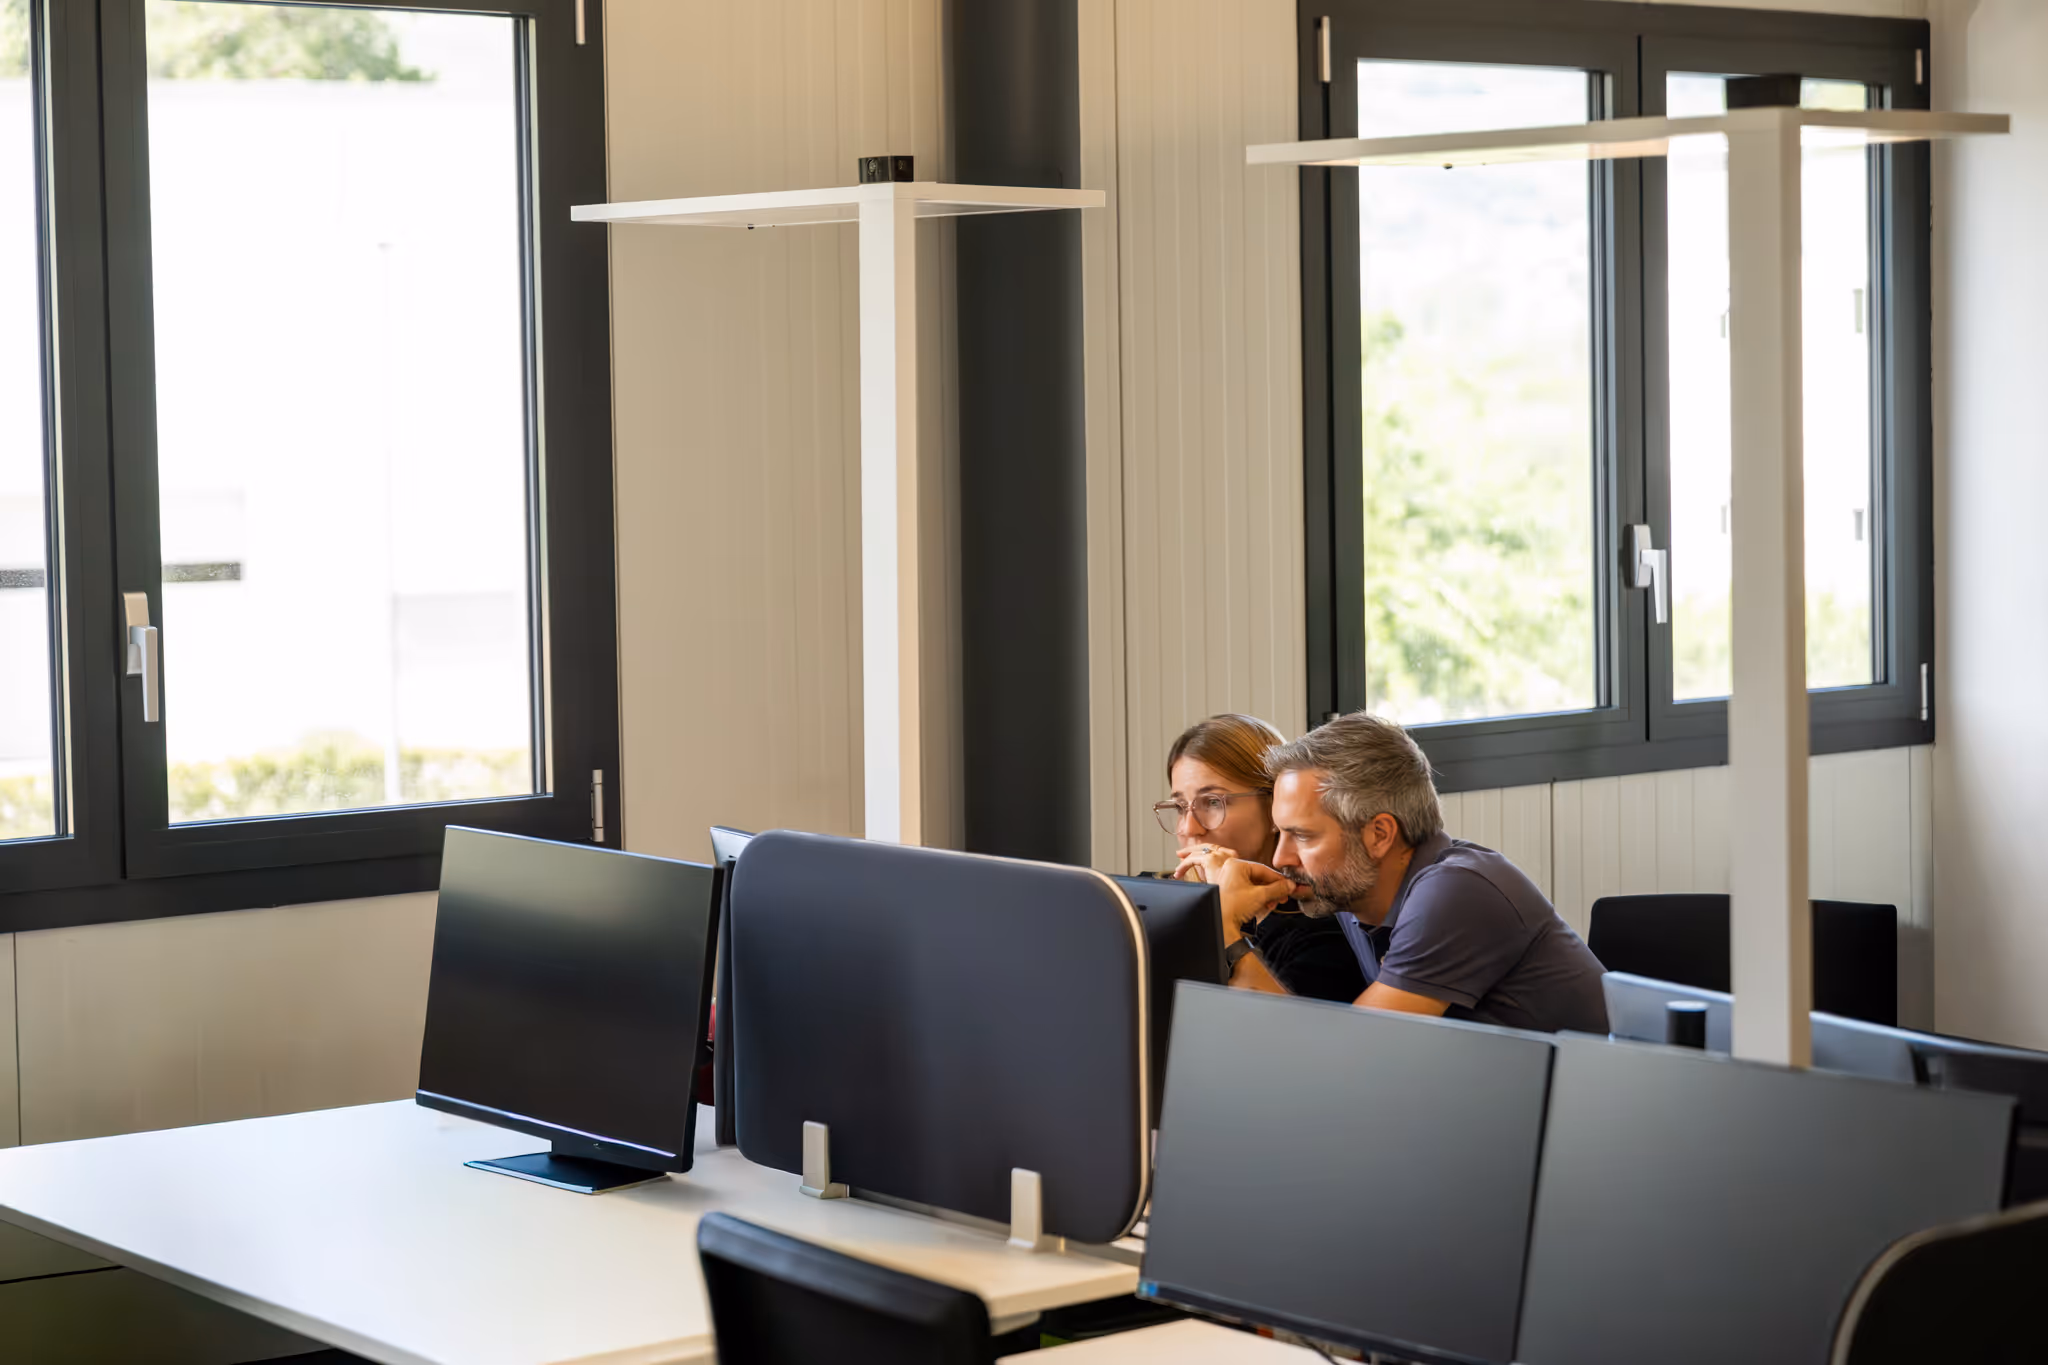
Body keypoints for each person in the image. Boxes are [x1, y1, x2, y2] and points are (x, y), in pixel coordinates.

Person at [1210, 711, 1608, 1034]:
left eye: (1303, 836)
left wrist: (1227, 936)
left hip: (1596, 1115)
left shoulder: (1455, 892)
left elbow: (1348, 1058)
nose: (1280, 858)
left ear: (1379, 834)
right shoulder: (1355, 896)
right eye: (1281, 833)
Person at [1153, 714, 1365, 1002]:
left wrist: (1227, 929)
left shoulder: (1320, 929)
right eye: (1180, 806)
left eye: (1213, 802)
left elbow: (1296, 1041)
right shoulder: (1153, 903)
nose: (1188, 828)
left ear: (1274, 810)